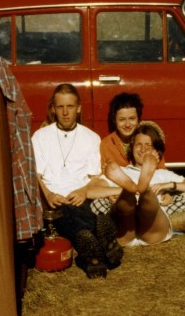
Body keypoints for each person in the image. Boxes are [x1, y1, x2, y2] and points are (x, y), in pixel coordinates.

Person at [31, 84, 123, 277]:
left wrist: (83, 191)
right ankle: (100, 243)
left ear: (78, 108)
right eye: (60, 107)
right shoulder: (40, 137)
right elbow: (37, 175)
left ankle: (91, 253)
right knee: (64, 213)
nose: (65, 113)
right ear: (53, 109)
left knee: (76, 212)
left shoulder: (91, 137)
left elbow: (94, 177)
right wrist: (49, 194)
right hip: (53, 200)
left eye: (70, 107)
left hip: (81, 197)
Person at [95, 123, 185, 246]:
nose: (143, 149)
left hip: (152, 227)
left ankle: (143, 190)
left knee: (151, 201)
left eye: (148, 145)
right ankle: (130, 191)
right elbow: (91, 191)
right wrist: (119, 191)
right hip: (124, 229)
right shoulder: (121, 172)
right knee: (108, 202)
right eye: (138, 145)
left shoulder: (163, 175)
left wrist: (167, 185)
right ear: (131, 148)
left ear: (156, 151)